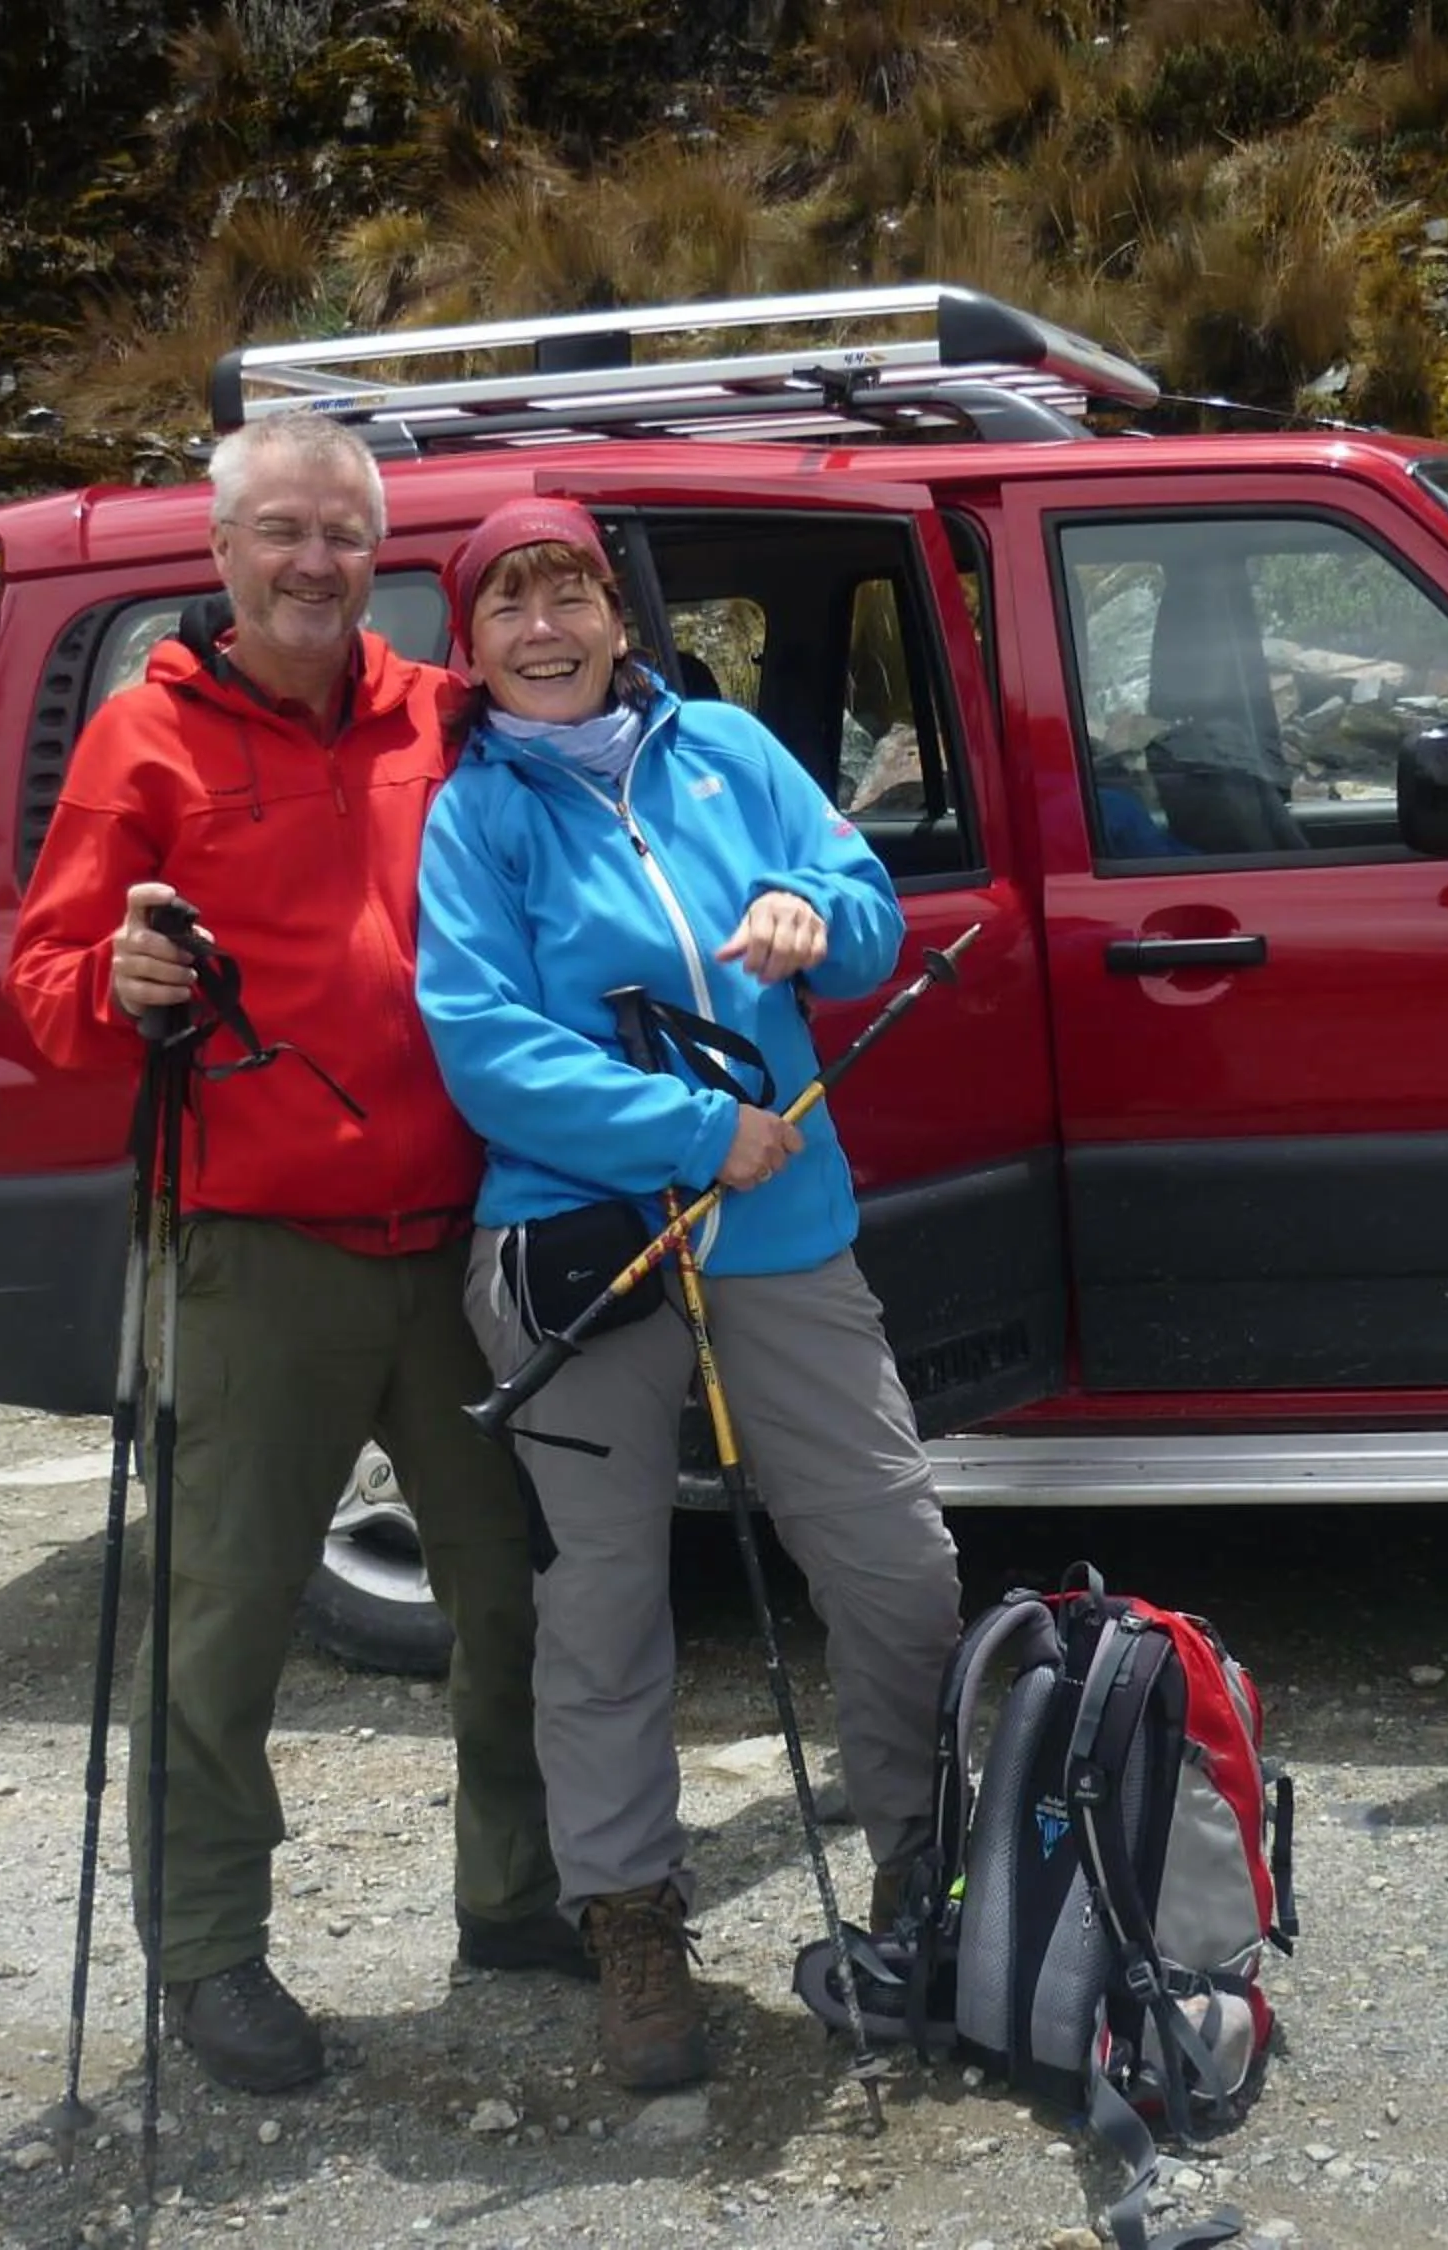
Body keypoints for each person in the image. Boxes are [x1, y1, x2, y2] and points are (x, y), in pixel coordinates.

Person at [5, 417, 586, 2098]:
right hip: (260, 1250)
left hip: (467, 1239)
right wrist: (117, 990)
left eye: (344, 535)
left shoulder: (442, 713)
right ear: (225, 552)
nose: (317, 563)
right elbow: (48, 992)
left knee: (521, 1590)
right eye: (284, 534)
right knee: (225, 1615)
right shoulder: (145, 738)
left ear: (378, 554)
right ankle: (208, 1953)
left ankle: (518, 1895)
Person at [413, 496, 965, 2094]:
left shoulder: (729, 751)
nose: (543, 624)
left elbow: (862, 913)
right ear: (473, 642)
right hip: (583, 1255)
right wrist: (692, 1128)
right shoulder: (475, 816)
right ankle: (633, 1914)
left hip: (783, 1231)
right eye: (506, 600)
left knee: (894, 1555)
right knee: (600, 1607)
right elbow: (488, 1048)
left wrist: (819, 918)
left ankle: (920, 1866)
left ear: (617, 616)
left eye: (567, 590)